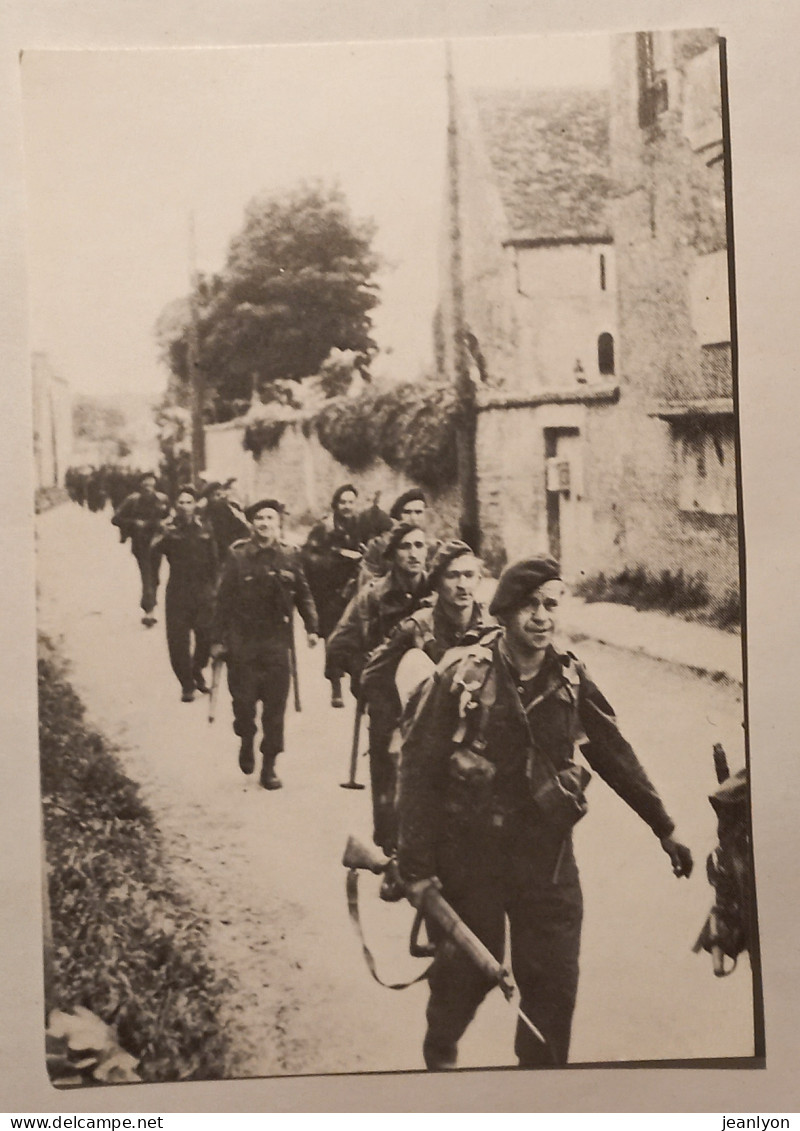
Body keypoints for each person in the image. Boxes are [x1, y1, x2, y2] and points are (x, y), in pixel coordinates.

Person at [397, 556, 693, 1071]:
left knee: (553, 986)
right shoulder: (462, 676)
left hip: (547, 861)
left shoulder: (572, 679)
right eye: (530, 606)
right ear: (506, 612)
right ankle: (439, 1042)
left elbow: (612, 751)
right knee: (466, 975)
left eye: (551, 605)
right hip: (473, 858)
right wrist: (416, 867)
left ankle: (540, 1092)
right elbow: (418, 769)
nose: (541, 617)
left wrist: (663, 826)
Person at [326, 522, 429, 853]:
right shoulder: (372, 595)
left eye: (420, 546)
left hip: (428, 691)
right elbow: (339, 643)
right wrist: (365, 675)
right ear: (393, 555)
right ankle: (389, 843)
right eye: (406, 547)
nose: (414, 553)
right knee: (388, 768)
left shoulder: (437, 591)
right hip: (385, 693)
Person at [210, 498, 319, 791]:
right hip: (243, 643)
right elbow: (222, 601)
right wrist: (217, 641)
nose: (265, 524)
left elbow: (304, 594)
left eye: (270, 518)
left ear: (278, 522)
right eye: (259, 518)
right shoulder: (238, 556)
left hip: (276, 643)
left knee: (275, 709)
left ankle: (269, 764)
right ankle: (246, 738)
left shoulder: (290, 556)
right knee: (244, 705)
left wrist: (312, 627)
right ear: (252, 523)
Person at [146, 485, 218, 702]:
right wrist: (162, 532)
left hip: (203, 590)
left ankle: (197, 669)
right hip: (178, 591)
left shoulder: (205, 529)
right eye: (181, 503)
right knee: (178, 641)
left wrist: (216, 590)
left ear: (196, 505)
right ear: (175, 506)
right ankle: (187, 684)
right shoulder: (168, 530)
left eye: (189, 502)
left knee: (206, 637)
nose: (185, 507)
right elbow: (152, 556)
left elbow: (215, 562)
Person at [302, 484, 365, 708]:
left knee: (358, 637)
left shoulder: (361, 526)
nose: (347, 507)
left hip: (356, 591)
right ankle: (336, 685)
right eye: (343, 502)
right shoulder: (324, 528)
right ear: (336, 505)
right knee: (333, 637)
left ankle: (357, 679)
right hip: (329, 593)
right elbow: (308, 558)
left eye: (351, 502)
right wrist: (337, 555)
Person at [111, 471, 170, 625]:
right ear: (140, 486)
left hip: (157, 543)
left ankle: (151, 604)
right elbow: (115, 518)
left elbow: (170, 516)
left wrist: (164, 524)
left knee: (155, 577)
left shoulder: (162, 499)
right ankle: (149, 611)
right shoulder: (132, 501)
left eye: (151, 485)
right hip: (140, 543)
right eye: (145, 485)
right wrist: (134, 523)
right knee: (147, 575)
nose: (148, 488)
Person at [357, 488, 430, 587]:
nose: (413, 518)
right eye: (407, 512)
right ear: (398, 516)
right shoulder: (378, 546)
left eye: (418, 512)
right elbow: (367, 583)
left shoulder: (433, 547)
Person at [201, 480, 250, 562]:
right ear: (209, 498)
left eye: (221, 494)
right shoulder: (208, 514)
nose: (221, 497)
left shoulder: (228, 510)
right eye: (216, 495)